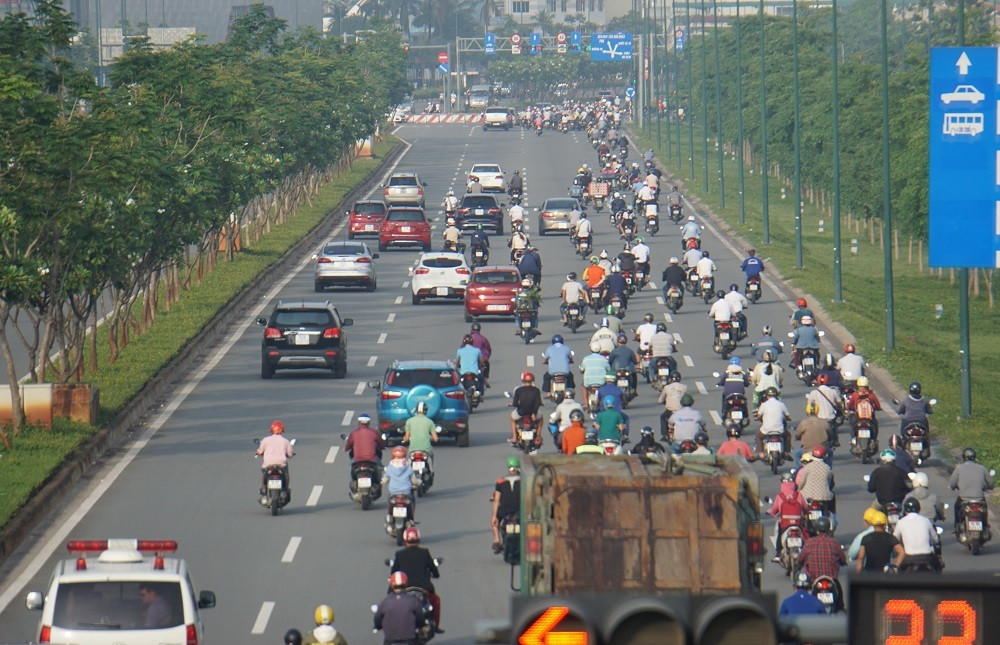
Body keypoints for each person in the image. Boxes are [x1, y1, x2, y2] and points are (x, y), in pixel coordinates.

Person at [391, 528, 443, 632]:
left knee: (391, 602)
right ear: (418, 540)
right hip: (423, 589)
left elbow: (393, 573)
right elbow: (434, 570)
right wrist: (436, 575)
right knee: (436, 601)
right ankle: (435, 627)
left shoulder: (399, 554)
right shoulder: (424, 553)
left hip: (404, 589)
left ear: (405, 540)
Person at [796, 517, 847, 612]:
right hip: (831, 579)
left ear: (816, 528)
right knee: (839, 592)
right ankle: (841, 609)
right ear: (828, 528)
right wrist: (843, 562)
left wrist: (798, 565)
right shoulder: (834, 542)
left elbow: (800, 559)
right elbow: (843, 558)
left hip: (814, 579)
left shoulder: (809, 542)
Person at [949, 447, 995, 533]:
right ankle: (985, 525)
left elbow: (952, 483)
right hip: (979, 498)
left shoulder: (959, 468)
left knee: (957, 508)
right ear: (974, 457)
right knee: (984, 510)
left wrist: (953, 486)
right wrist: (989, 486)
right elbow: (991, 482)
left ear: (964, 457)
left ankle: (956, 526)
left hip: (963, 499)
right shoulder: (982, 468)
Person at [373, 572, 423, 644]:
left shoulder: (385, 602)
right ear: (405, 584)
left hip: (390, 640)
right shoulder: (413, 600)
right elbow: (420, 619)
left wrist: (378, 626)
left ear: (392, 585)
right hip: (409, 639)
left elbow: (377, 619)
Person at [893, 498, 941, 571]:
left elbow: (894, 539)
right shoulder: (926, 520)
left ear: (905, 510)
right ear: (919, 509)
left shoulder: (901, 522)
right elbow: (935, 539)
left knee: (900, 573)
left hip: (909, 558)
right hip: (927, 557)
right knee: (938, 568)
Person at [768, 472, 806, 562]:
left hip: (785, 524)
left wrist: (771, 512)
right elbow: (805, 507)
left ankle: (778, 554)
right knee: (804, 534)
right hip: (797, 523)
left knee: (779, 534)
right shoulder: (798, 495)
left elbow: (774, 510)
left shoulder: (780, 496)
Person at [256, 420, 295, 499]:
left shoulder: (265, 440)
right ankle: (284, 489)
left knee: (263, 475)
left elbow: (260, 451)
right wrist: (290, 454)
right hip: (281, 465)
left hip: (268, 465)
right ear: (282, 430)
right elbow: (290, 454)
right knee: (286, 476)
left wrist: (257, 453)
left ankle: (264, 487)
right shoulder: (285, 441)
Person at [491, 457, 522, 551]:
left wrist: (494, 516)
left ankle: (497, 539)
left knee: (494, 521)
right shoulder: (524, 480)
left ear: (508, 468)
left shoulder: (500, 481)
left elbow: (496, 500)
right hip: (520, 509)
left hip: (505, 510)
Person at [796, 449, 836, 518]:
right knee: (832, 497)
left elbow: (801, 482)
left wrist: (799, 489)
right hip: (823, 497)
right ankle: (832, 515)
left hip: (808, 496)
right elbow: (830, 482)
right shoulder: (827, 468)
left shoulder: (808, 467)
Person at [345, 412, 384, 481]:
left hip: (358, 460)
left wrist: (346, 448)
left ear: (359, 422)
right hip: (371, 460)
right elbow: (381, 443)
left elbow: (348, 445)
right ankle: (379, 481)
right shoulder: (373, 432)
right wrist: (382, 447)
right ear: (368, 422)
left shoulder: (354, 433)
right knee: (379, 467)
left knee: (351, 466)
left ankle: (353, 482)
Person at [508, 371, 543, 444]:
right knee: (540, 418)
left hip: (521, 413)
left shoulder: (518, 390)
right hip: (533, 413)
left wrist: (515, 405)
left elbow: (515, 403)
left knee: (512, 418)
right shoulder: (536, 390)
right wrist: (534, 413)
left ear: (523, 381)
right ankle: (538, 436)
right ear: (532, 381)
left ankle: (514, 437)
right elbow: (537, 403)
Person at [383, 445, 416, 521]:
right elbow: (414, 481)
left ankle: (389, 515)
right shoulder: (408, 466)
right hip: (406, 492)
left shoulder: (390, 467)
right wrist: (418, 483)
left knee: (390, 500)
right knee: (412, 501)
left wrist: (383, 481)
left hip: (393, 491)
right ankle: (411, 519)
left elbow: (385, 479)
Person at [755, 387, 791, 456]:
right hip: (780, 430)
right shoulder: (781, 404)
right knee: (788, 436)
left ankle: (760, 453)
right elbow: (787, 416)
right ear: (776, 395)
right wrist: (788, 418)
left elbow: (758, 416)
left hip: (766, 430)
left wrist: (757, 418)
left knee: (758, 437)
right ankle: (786, 452)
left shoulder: (764, 405)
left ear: (767, 396)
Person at [402, 402, 439, 468]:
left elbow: (406, 438)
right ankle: (431, 470)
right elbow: (436, 439)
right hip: (426, 449)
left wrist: (404, 438)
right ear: (426, 411)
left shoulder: (409, 421)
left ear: (416, 410)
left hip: (412, 449)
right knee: (431, 455)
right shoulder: (430, 422)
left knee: (408, 459)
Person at [657, 371, 687, 438]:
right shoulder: (684, 387)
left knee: (663, 417)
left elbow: (661, 398)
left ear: (670, 379)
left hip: (670, 409)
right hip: (680, 409)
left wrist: (660, 401)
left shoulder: (667, 387)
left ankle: (664, 435)